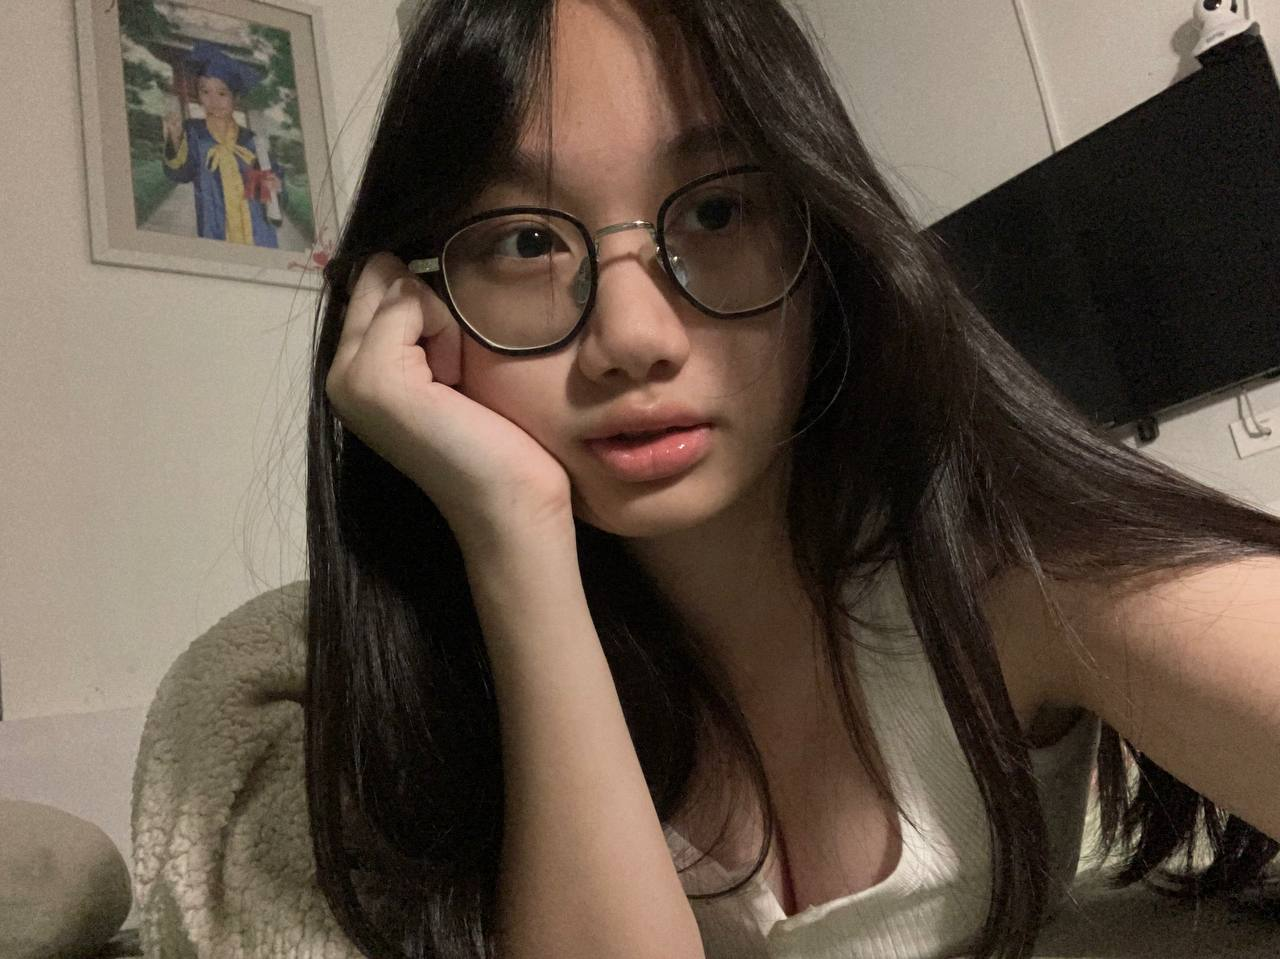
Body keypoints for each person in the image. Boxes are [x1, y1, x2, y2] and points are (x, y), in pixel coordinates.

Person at [130, 1, 1280, 957]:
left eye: (720, 209)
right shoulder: (437, 674)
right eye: (526, 241)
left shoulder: (1003, 568)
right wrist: (513, 534)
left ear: (820, 242)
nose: (633, 336)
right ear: (413, 310)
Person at [160, 40, 284, 248]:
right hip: (215, 225)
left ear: (235, 98)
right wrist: (175, 138)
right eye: (205, 92)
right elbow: (180, 174)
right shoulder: (194, 132)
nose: (213, 101)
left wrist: (275, 184)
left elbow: (268, 183)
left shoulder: (251, 141)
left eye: (222, 93)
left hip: (257, 230)